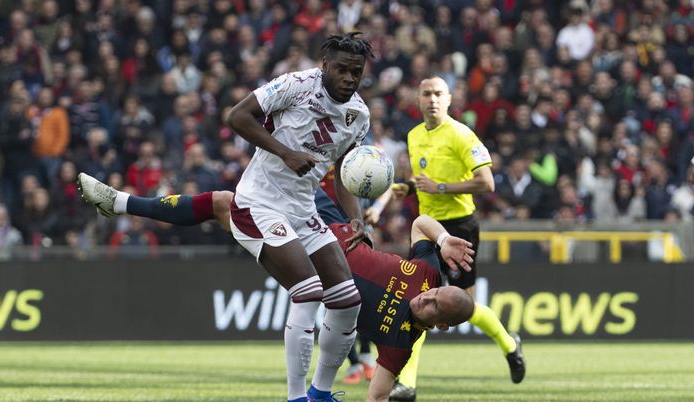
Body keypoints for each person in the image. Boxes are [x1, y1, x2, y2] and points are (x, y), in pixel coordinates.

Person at [81, 32, 375, 402]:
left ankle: (321, 393)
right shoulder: (297, 85)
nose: (349, 78)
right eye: (342, 69)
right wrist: (285, 153)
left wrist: (356, 217)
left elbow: (346, 171)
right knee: (308, 291)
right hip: (259, 202)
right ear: (325, 65)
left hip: (303, 209)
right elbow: (237, 116)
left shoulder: (359, 115)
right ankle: (297, 397)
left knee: (348, 301)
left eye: (356, 72)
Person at [77, 173, 485, 402]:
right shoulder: (429, 272)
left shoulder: (399, 343)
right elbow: (420, 225)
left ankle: (121, 203)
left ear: (439, 326)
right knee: (305, 168)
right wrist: (444, 238)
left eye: (433, 306)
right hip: (335, 224)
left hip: (305, 257)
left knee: (222, 203)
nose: (425, 296)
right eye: (433, 293)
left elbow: (376, 396)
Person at [388, 75, 525, 401]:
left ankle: (509, 344)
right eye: (426, 94)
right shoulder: (413, 135)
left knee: (466, 306)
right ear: (418, 100)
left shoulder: (462, 134)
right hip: (426, 227)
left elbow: (487, 183)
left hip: (460, 227)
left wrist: (442, 188)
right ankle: (406, 384)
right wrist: (409, 187)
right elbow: (425, 178)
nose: (432, 99)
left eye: (438, 94)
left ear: (449, 99)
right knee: (417, 303)